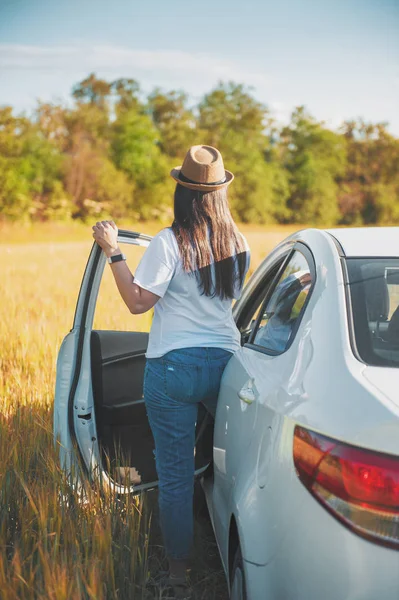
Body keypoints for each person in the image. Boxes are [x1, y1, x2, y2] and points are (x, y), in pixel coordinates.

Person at [92, 144, 250, 599]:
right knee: (232, 459)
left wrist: (113, 253)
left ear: (181, 190)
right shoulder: (238, 243)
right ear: (220, 192)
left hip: (174, 367)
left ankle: (179, 576)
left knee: (176, 474)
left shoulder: (170, 241)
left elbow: (138, 303)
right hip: (226, 364)